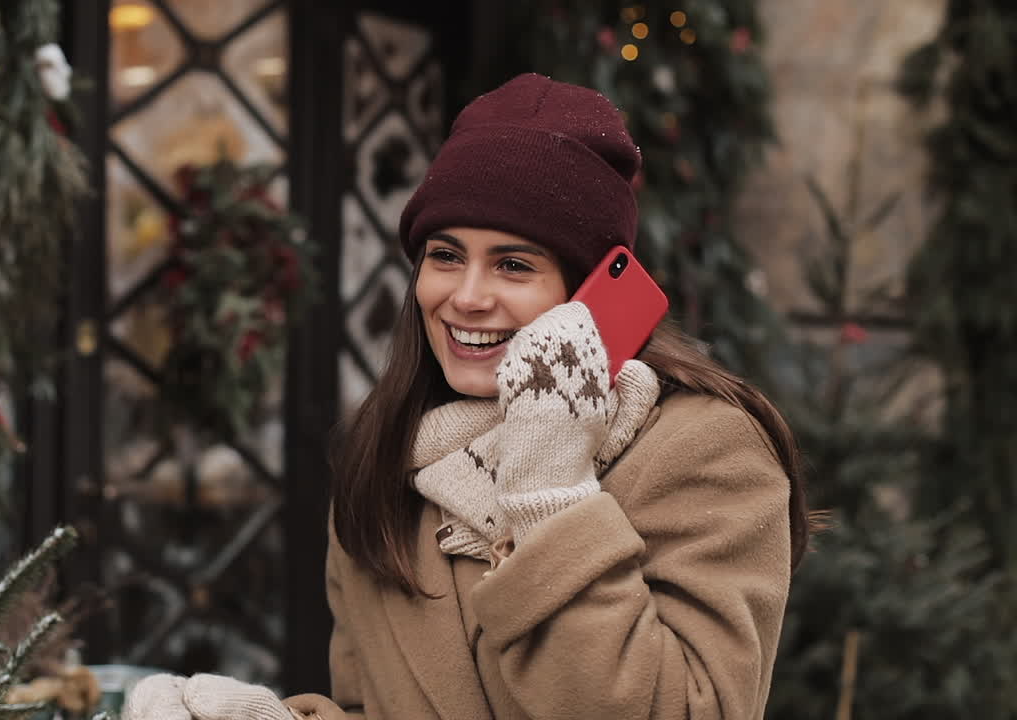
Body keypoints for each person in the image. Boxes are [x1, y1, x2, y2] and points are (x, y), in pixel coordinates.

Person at [124, 73, 809, 720]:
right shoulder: (387, 463)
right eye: (445, 255)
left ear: (589, 295)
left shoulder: (706, 450)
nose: (467, 297)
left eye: (514, 264)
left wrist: (551, 495)